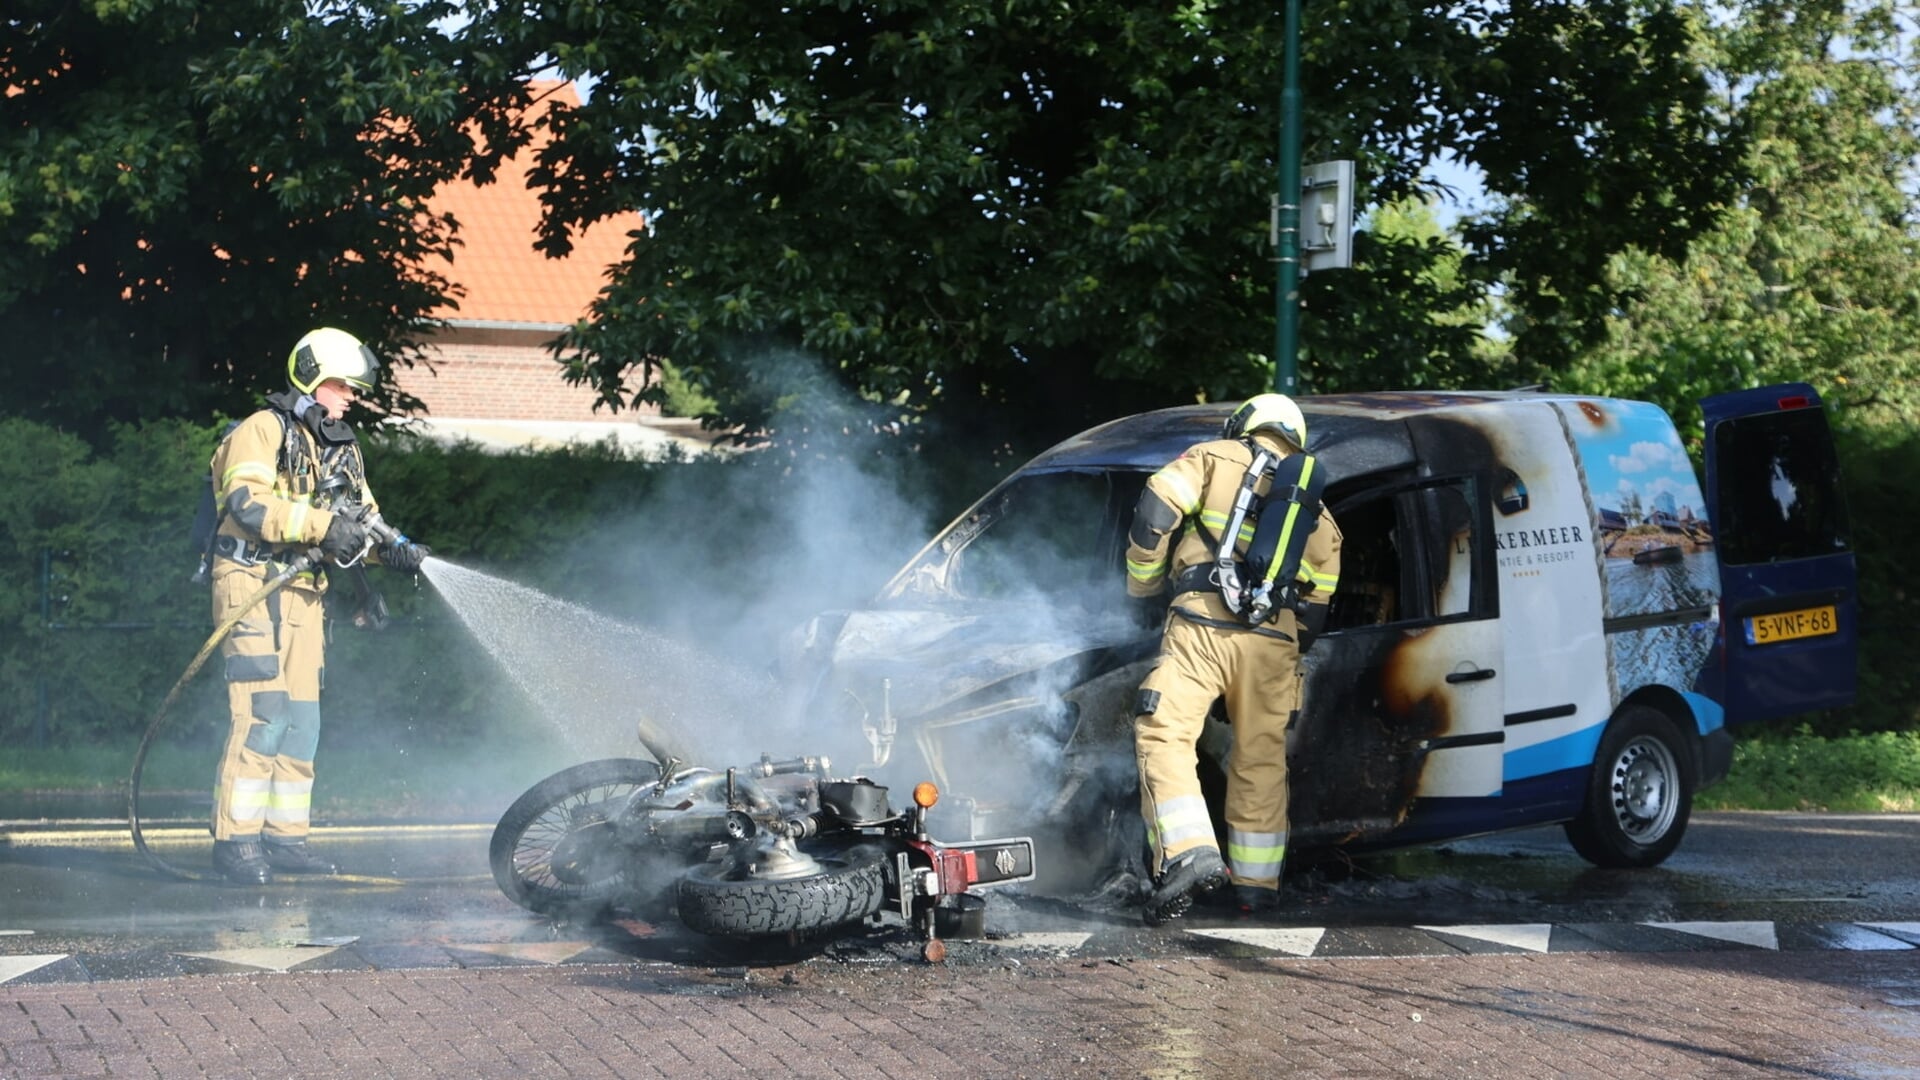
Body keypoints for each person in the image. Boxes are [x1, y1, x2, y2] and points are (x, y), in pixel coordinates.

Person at [204, 327, 430, 885]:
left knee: (302, 721)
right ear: (311, 377)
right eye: (343, 385)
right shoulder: (262, 430)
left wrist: (391, 550)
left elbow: (359, 523)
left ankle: (285, 840)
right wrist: (323, 526)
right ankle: (235, 842)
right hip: (250, 583)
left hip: (304, 593)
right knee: (263, 714)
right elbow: (247, 503)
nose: (352, 397)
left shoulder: (341, 448)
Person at [1123, 393, 1341, 923]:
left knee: (1164, 731)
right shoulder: (1322, 519)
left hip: (1202, 624)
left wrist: (1143, 586)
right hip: (1274, 644)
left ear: (1243, 424)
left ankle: (1188, 853)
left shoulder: (1212, 457)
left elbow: (1155, 509)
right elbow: (1315, 613)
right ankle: (1256, 886)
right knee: (1260, 758)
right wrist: (1263, 664)